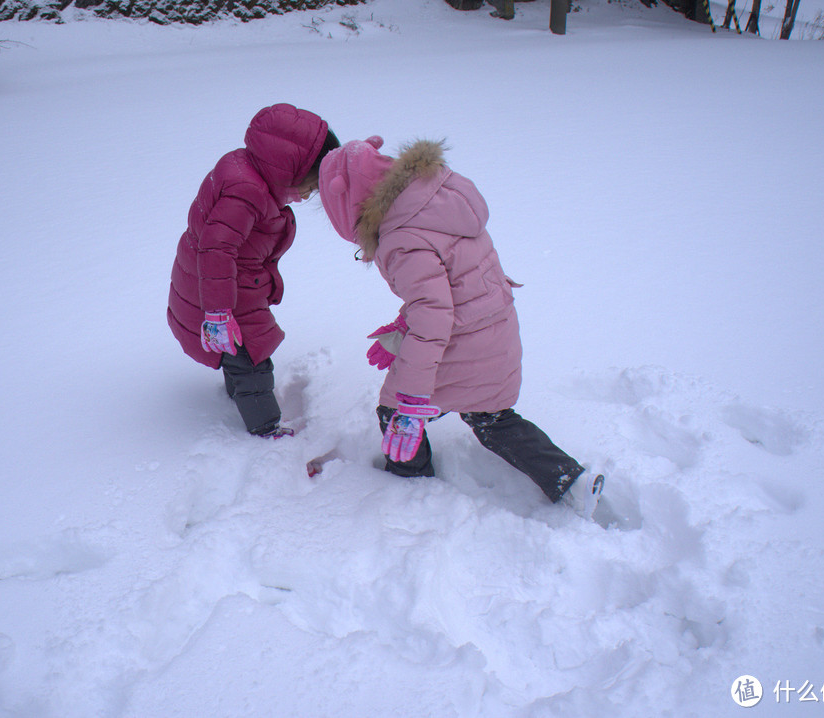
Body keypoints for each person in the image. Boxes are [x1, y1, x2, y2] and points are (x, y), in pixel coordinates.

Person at [318, 136, 604, 516]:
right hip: (494, 332)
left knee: (396, 412)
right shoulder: (431, 202)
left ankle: (410, 490)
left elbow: (434, 316)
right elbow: (453, 286)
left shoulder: (402, 240)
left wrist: (413, 401)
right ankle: (570, 480)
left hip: (464, 341)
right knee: (491, 416)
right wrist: (404, 326)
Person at [168, 104, 339, 437]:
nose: (308, 195)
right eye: (311, 185)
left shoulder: (246, 168)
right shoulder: (247, 190)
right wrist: (218, 313)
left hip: (222, 286)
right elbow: (216, 249)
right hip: (221, 295)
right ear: (295, 167)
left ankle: (236, 391)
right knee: (253, 362)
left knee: (237, 352)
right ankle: (265, 428)